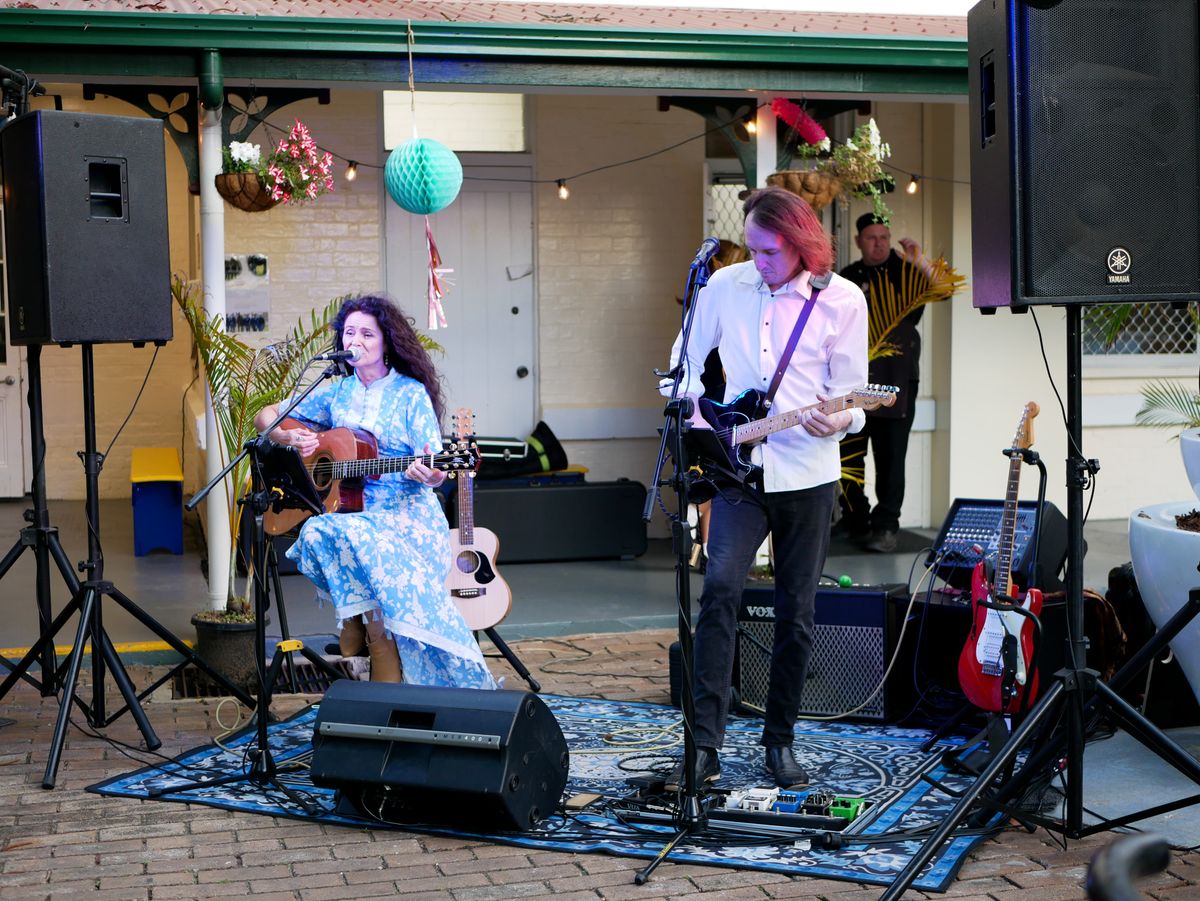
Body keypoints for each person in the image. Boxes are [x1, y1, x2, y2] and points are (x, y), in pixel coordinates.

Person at [661, 187, 868, 790]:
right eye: (751, 249)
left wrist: (842, 418)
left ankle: (780, 743)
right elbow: (685, 361)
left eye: (771, 252)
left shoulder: (843, 300)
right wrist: (695, 410)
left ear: (802, 245)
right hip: (736, 470)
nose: (760, 262)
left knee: (795, 613)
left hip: (807, 473)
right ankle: (703, 747)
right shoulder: (725, 286)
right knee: (719, 592)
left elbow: (854, 393)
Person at [254, 294, 495, 689]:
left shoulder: (410, 394)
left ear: (387, 342)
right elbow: (267, 415)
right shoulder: (336, 391)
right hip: (356, 515)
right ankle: (363, 623)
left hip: (407, 517)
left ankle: (371, 634)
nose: (357, 340)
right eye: (350, 332)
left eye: (368, 333)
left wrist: (430, 473)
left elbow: (435, 467)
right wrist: (288, 435)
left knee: (360, 540)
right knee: (317, 531)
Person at [836, 212, 934, 554]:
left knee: (892, 457)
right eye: (871, 237)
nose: (878, 243)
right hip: (855, 381)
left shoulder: (907, 272)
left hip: (897, 380)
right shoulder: (848, 278)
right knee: (848, 454)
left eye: (884, 237)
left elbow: (942, 289)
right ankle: (855, 518)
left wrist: (919, 259)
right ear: (859, 240)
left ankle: (886, 527)